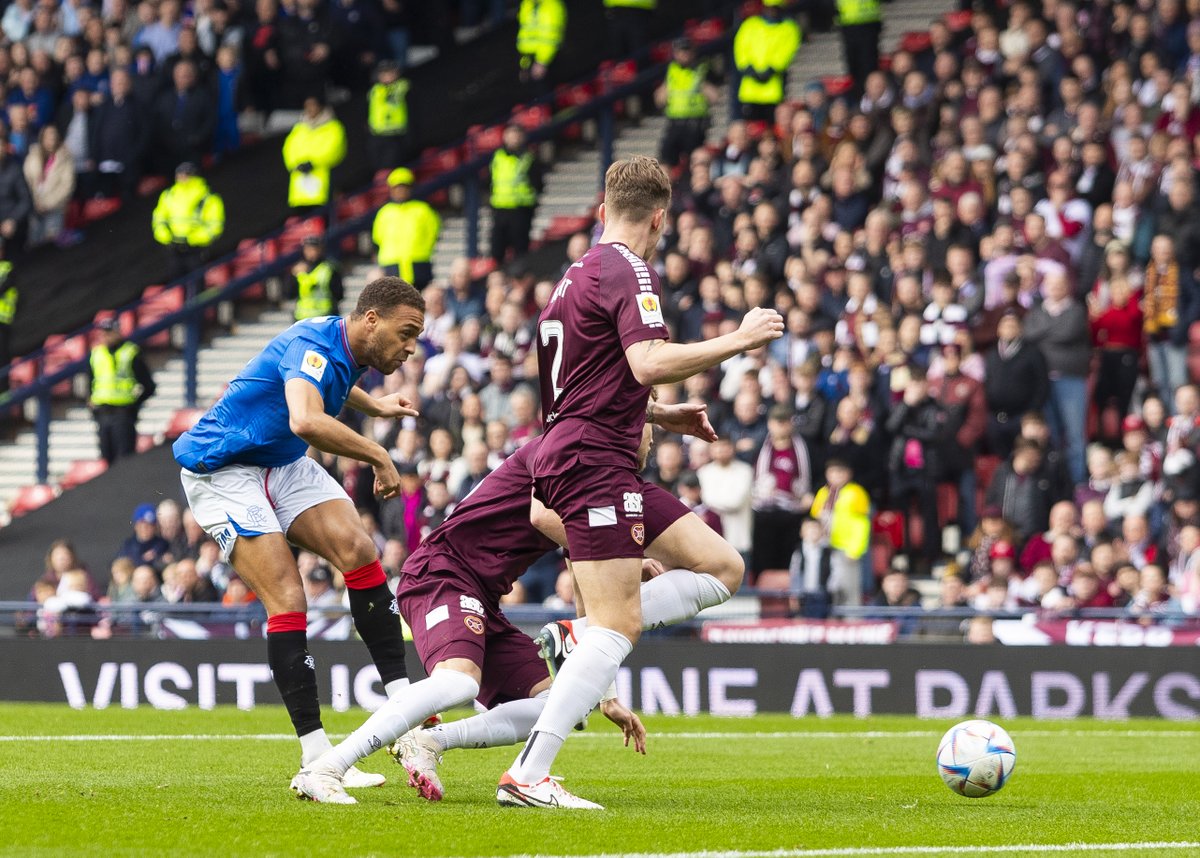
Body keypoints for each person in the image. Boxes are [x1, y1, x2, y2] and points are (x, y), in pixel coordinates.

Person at [498, 155, 782, 808]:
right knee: (620, 623)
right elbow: (647, 360)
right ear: (660, 218)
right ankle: (530, 773)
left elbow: (589, 385)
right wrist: (738, 339)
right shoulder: (629, 268)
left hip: (587, 449)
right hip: (593, 460)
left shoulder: (571, 277)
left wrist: (659, 415)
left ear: (601, 210)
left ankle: (580, 635)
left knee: (721, 565)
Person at [294, 418, 709, 804]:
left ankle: (432, 741)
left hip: (482, 597)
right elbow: (541, 514)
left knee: (561, 701)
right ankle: (326, 768)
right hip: (443, 573)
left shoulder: (591, 477)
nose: (646, 454)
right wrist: (619, 556)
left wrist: (606, 695)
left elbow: (592, 599)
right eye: (648, 442)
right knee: (458, 683)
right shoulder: (566, 452)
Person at [172, 277, 426, 797]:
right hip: (223, 468)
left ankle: (404, 707)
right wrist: (378, 453)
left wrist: (375, 408)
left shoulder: (343, 346)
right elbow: (307, 417)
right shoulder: (314, 344)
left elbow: (328, 384)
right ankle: (316, 759)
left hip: (278, 461)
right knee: (288, 597)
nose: (410, 347)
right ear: (371, 320)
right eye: (406, 333)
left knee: (359, 551)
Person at [88, 317, 155, 466]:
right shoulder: (96, 354)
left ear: (118, 332)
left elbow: (149, 386)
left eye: (109, 332)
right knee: (107, 457)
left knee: (125, 458)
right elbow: (91, 382)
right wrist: (91, 403)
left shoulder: (130, 352)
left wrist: (134, 405)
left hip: (123, 412)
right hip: (103, 412)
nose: (105, 336)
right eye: (103, 333)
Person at [810, 458, 871, 608]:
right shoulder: (823, 493)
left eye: (839, 472)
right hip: (825, 548)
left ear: (848, 474)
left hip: (845, 548)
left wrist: (855, 549)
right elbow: (815, 518)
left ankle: (852, 620)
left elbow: (861, 524)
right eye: (832, 472)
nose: (835, 476)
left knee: (848, 588)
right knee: (827, 588)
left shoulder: (856, 493)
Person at [151, 162, 225, 281]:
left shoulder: (208, 198)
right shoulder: (169, 195)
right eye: (179, 175)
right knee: (175, 281)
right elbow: (159, 218)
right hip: (173, 247)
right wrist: (166, 236)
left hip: (196, 249)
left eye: (185, 174)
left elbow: (214, 226)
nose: (181, 177)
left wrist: (192, 239)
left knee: (197, 281)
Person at [655, 38, 719, 171]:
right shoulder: (670, 70)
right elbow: (659, 99)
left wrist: (702, 84)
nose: (684, 55)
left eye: (687, 51)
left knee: (695, 163)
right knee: (665, 161)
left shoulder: (702, 69)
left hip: (695, 125)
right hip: (674, 124)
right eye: (680, 51)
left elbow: (715, 96)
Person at [372, 167, 440, 290]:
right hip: (392, 265)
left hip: (418, 263)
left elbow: (433, 233)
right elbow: (378, 239)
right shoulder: (384, 212)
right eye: (397, 187)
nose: (400, 191)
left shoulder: (423, 209)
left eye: (403, 187)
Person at [732, 0, 800, 122]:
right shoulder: (750, 24)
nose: (772, 11)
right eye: (769, 7)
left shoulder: (789, 27)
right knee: (750, 125)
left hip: (773, 88)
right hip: (749, 89)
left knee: (771, 125)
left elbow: (788, 50)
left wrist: (773, 68)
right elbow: (740, 47)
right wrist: (747, 67)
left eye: (775, 8)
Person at [282, 94, 346, 218]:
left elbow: (334, 149)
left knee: (324, 217)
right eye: (307, 106)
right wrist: (295, 164)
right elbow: (288, 149)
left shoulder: (333, 127)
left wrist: (313, 163)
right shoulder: (299, 128)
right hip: (300, 186)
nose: (310, 109)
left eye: (313, 105)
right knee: (302, 221)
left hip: (323, 181)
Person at [489, 125, 542, 265]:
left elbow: (538, 184)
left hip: (521, 210)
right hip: (500, 210)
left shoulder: (529, 157)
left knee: (520, 251)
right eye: (510, 134)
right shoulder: (497, 156)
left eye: (516, 135)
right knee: (496, 250)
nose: (513, 138)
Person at [366, 60, 410, 172]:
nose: (387, 76)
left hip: (396, 135)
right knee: (378, 167)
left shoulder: (402, 87)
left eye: (390, 72)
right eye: (384, 73)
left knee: (392, 167)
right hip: (377, 135)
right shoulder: (375, 91)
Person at [289, 234, 344, 320]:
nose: (311, 252)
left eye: (313, 249)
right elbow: (289, 294)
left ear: (320, 249)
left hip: (325, 317)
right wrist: (292, 276)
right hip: (302, 318)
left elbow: (339, 294)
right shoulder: (298, 269)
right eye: (308, 249)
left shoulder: (329, 269)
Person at [836, 0, 880, 99]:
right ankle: (859, 97)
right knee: (853, 66)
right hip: (847, 24)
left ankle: (870, 96)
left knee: (868, 66)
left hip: (868, 23)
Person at [516, 0, 564, 88]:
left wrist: (542, 61)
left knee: (547, 92)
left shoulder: (551, 5)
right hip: (528, 59)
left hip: (544, 60)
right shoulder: (526, 4)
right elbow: (525, 35)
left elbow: (550, 37)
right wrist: (524, 66)